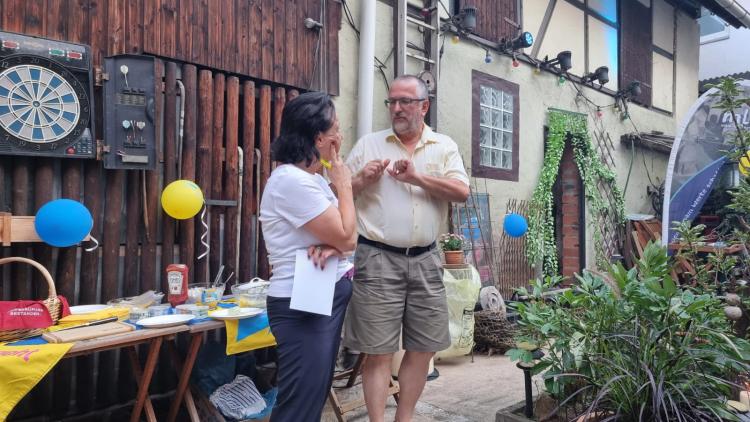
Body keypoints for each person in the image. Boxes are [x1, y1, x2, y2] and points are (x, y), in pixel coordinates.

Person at [344, 75, 470, 422]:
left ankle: (404, 417)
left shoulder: (443, 146)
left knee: (425, 344)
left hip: (426, 258)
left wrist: (416, 178)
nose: (396, 109)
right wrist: (360, 181)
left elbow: (461, 192)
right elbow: (336, 192)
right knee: (378, 350)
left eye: (405, 102)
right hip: (377, 257)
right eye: (391, 102)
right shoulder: (369, 145)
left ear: (423, 106)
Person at [259, 91, 357, 421]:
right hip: (302, 304)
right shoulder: (291, 181)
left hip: (319, 297)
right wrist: (343, 185)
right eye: (337, 129)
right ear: (319, 137)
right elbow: (349, 235)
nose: (340, 137)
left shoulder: (309, 180)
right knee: (299, 406)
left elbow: (342, 235)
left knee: (310, 400)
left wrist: (336, 245)